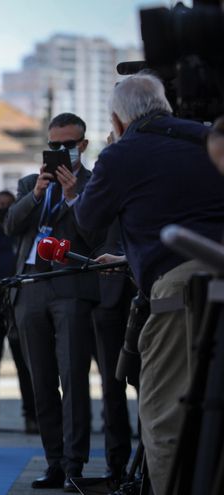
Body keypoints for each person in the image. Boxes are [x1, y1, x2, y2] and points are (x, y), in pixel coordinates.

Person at [74, 73, 224, 494]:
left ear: (118, 122)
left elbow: (88, 220)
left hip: (180, 296)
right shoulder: (211, 139)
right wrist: (129, 257)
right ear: (167, 106)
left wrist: (113, 151)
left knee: (165, 418)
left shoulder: (123, 153)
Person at [4, 113, 106, 491]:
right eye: (53, 146)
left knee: (73, 378)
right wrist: (36, 195)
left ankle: (75, 464)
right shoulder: (31, 183)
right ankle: (54, 463)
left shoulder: (94, 184)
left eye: (67, 145)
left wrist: (73, 197)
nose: (60, 152)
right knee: (41, 382)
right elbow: (11, 226)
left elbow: (94, 235)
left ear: (82, 146)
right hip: (30, 288)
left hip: (70, 288)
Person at [0, 190, 37, 435]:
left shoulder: (20, 230)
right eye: (0, 205)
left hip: (18, 304)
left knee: (24, 365)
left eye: (8, 205)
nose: (3, 209)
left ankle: (31, 417)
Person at [90, 222, 134, 483]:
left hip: (148, 295)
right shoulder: (99, 184)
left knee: (148, 382)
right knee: (111, 384)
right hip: (105, 297)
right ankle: (116, 463)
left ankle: (150, 462)